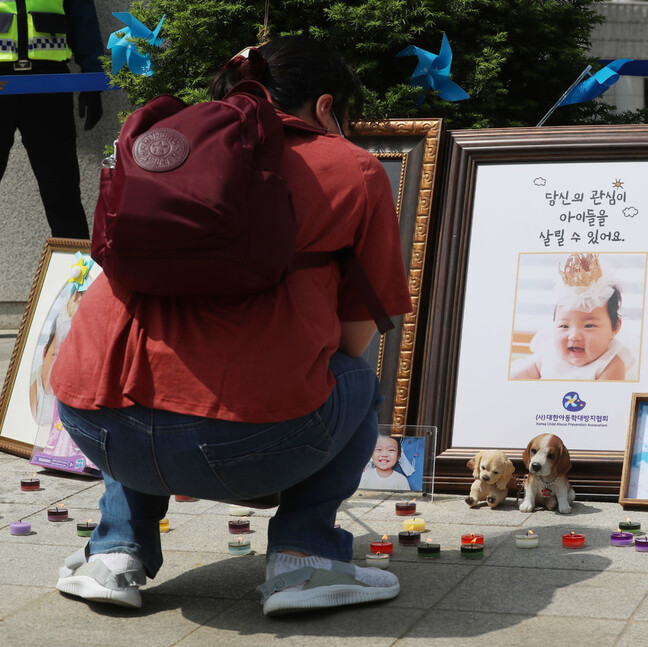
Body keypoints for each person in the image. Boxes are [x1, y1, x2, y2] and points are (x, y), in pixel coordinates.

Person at [49, 36, 412, 615]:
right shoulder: (352, 167)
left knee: (142, 380)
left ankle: (115, 554)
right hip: (251, 442)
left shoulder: (160, 151)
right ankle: (306, 560)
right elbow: (354, 337)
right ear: (325, 108)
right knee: (356, 382)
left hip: (95, 427)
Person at [0, 0, 104, 238]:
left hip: (48, 84)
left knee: (62, 194)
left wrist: (93, 78)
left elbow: (82, 16)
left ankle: (75, 272)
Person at [510, 252, 635, 381]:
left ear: (615, 327)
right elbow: (521, 378)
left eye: (589, 326)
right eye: (564, 326)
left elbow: (604, 398)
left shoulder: (610, 364)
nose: (574, 335)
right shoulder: (549, 353)